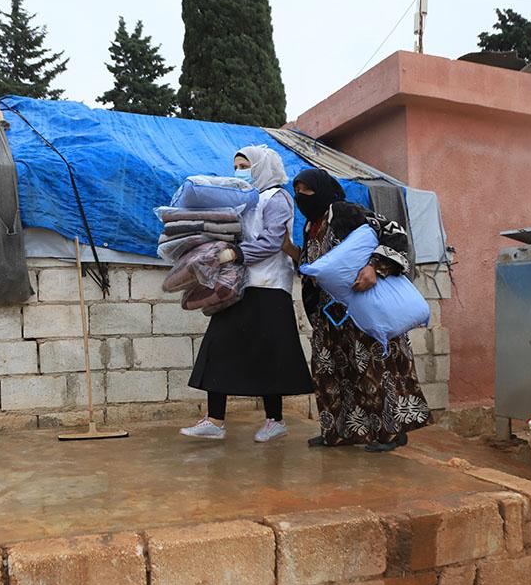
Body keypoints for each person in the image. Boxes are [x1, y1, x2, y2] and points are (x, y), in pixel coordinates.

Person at [181, 145, 313, 442]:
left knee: (270, 354)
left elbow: (272, 242)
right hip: (240, 285)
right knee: (219, 346)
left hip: (268, 285)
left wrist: (234, 254)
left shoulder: (276, 197)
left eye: (244, 165)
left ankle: (275, 420)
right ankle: (215, 420)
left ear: (262, 167)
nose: (239, 171)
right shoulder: (244, 200)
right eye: (237, 165)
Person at [294, 168, 430, 452]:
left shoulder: (345, 212)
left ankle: (391, 432)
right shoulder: (310, 226)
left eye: (307, 190)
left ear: (322, 189)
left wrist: (374, 267)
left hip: (362, 308)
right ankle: (340, 432)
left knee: (374, 369)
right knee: (329, 371)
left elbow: (393, 232)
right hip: (328, 317)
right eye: (297, 190)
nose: (301, 196)